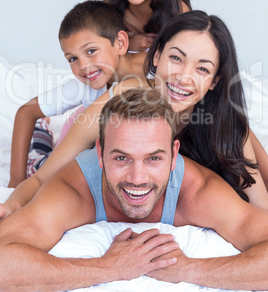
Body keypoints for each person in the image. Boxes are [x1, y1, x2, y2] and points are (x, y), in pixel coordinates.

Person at [2, 11, 267, 219]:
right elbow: (41, 178)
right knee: (39, 160)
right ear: (156, 57)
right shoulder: (121, 100)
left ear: (214, 81)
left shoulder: (225, 124)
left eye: (202, 69)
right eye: (176, 58)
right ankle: (43, 131)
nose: (183, 77)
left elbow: (260, 207)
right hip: (74, 138)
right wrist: (13, 203)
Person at [0, 88, 268, 291]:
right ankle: (45, 131)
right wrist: (105, 268)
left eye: (154, 158)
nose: (137, 178)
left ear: (174, 155)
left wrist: (189, 269)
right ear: (101, 153)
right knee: (41, 159)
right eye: (121, 158)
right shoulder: (73, 188)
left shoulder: (198, 191)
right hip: (65, 156)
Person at [8, 0, 146, 188]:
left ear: (120, 43)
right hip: (79, 135)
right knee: (42, 168)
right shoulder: (86, 85)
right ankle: (43, 128)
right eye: (72, 59)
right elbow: (26, 111)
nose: (83, 66)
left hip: (93, 131)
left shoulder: (155, 69)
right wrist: (15, 181)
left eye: (91, 51)